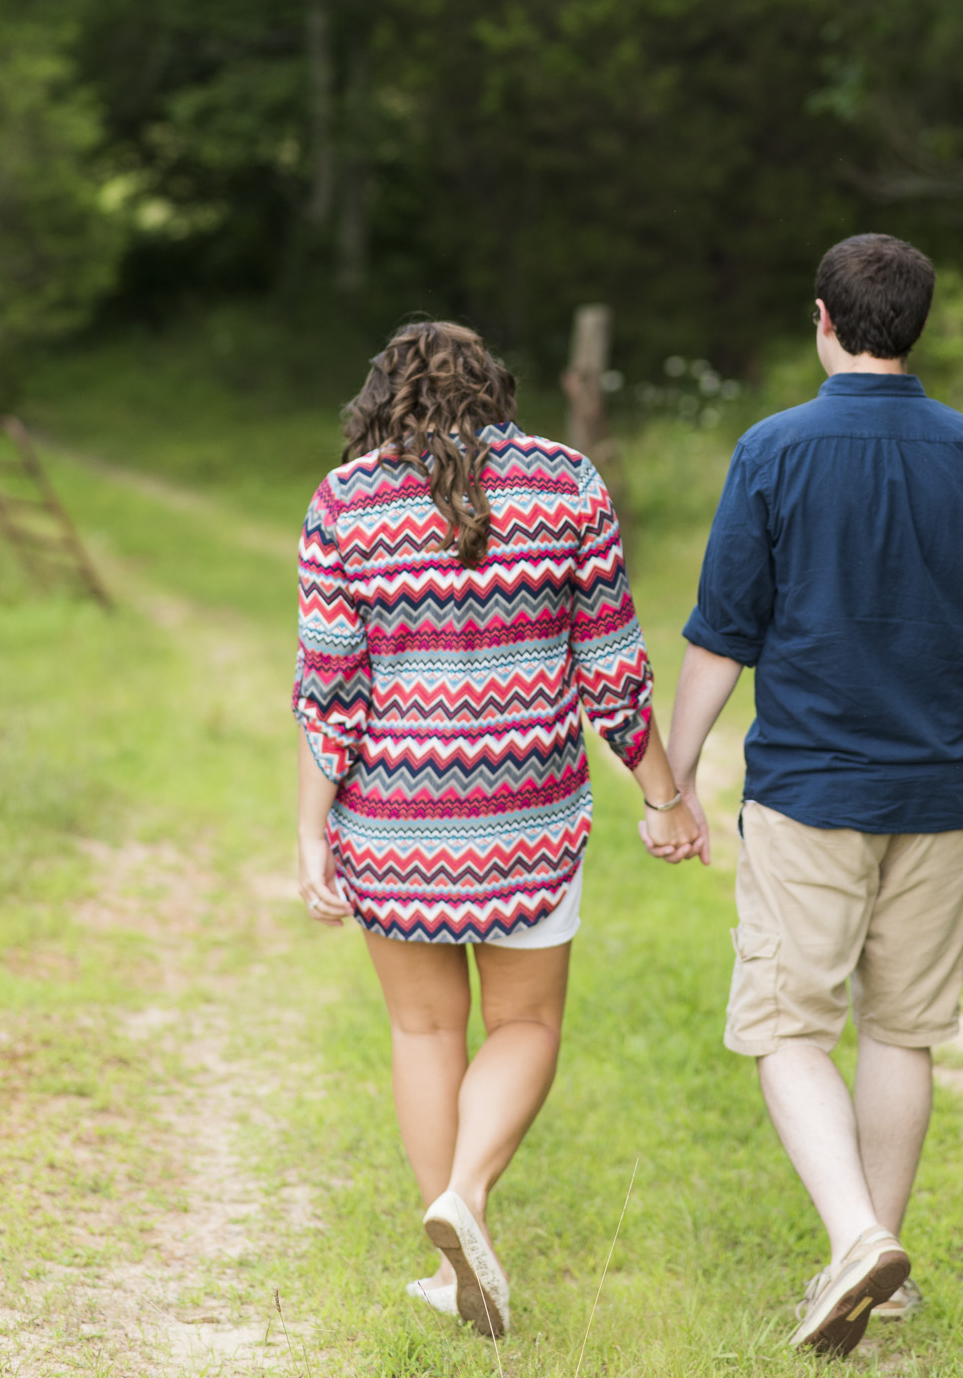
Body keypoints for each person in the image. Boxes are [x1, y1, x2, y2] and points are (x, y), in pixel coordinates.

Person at [658, 235, 963, 1358]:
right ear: (914, 322)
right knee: (901, 1030)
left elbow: (720, 634)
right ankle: (878, 1264)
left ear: (821, 318)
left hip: (809, 789)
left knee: (787, 1023)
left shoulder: (772, 448)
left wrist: (674, 776)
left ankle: (854, 1237)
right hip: (941, 789)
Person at [293, 320, 697, 1341]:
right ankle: (464, 1200)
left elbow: (328, 692)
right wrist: (663, 795)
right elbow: (612, 667)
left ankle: (450, 1250)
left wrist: (311, 833)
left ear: (382, 396)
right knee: (523, 1025)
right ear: (499, 389)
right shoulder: (566, 483)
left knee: (423, 1029)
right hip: (528, 819)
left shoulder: (345, 501)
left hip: (393, 819)